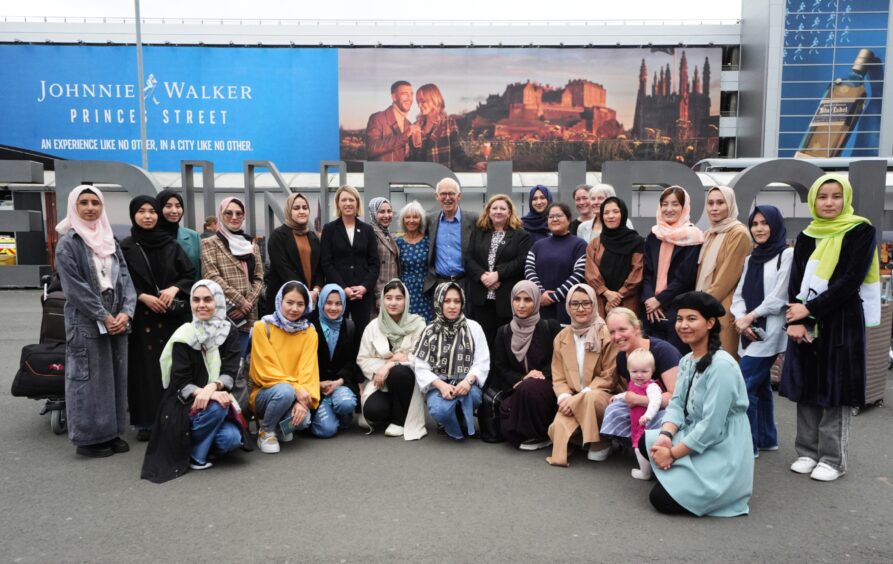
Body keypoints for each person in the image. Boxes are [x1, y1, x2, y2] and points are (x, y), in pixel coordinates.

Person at [780, 174, 880, 482]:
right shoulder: (808, 233)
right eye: (823, 196)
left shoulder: (860, 230)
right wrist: (798, 319)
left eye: (836, 196)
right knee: (807, 387)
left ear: (846, 198)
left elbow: (850, 280)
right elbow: (795, 281)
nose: (829, 202)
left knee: (835, 389)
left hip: (841, 320)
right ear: (813, 200)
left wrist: (809, 310)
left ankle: (833, 458)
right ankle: (807, 452)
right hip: (806, 319)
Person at [643, 291, 753, 517]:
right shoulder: (687, 360)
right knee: (648, 444)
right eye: (680, 319)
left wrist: (671, 454)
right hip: (698, 431)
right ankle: (676, 471)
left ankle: (689, 477)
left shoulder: (722, 366)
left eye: (692, 319)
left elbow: (712, 428)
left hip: (723, 443)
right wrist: (665, 435)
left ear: (710, 323)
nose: (683, 325)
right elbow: (676, 404)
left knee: (659, 500)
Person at [55, 185, 137, 458]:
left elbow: (124, 277)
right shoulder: (69, 243)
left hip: (117, 316)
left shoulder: (109, 240)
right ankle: (89, 439)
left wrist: (126, 311)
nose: (91, 208)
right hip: (87, 321)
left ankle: (112, 432)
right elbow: (75, 287)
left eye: (95, 203)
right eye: (84, 203)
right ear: (74, 207)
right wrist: (104, 315)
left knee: (115, 376)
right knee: (89, 379)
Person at [140, 280, 243, 482]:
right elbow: (180, 381)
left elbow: (230, 371)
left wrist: (213, 387)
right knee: (218, 406)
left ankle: (193, 443)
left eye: (208, 299)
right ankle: (197, 456)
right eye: (196, 300)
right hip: (183, 402)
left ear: (219, 302)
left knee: (231, 440)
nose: (201, 305)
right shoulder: (184, 334)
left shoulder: (229, 332)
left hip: (214, 397)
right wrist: (207, 393)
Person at [120, 195, 195, 441]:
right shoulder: (126, 246)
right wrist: (142, 296)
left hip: (172, 316)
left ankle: (174, 416)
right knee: (144, 369)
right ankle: (146, 421)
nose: (148, 216)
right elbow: (120, 280)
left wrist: (174, 289)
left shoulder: (170, 245)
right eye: (141, 211)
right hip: (142, 318)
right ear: (133, 215)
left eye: (152, 211)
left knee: (173, 367)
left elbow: (189, 273)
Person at [731, 205, 792, 458]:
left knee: (743, 386)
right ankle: (766, 439)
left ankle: (748, 444)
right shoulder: (750, 258)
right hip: (748, 329)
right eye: (755, 224)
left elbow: (779, 296)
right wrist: (740, 319)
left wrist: (750, 317)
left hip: (771, 331)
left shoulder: (786, 254)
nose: (759, 228)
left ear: (775, 225)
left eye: (765, 223)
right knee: (760, 385)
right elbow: (739, 294)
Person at [546, 284, 620, 466]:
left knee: (590, 399)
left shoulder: (605, 333)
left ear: (594, 304)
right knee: (557, 431)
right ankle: (582, 438)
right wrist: (564, 397)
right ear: (568, 307)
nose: (580, 309)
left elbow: (609, 375)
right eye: (575, 304)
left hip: (601, 395)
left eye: (586, 303)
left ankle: (603, 441)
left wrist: (579, 398)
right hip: (572, 396)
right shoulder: (562, 336)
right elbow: (558, 376)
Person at [249, 281, 320, 454]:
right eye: (289, 302)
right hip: (266, 394)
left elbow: (308, 369)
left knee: (303, 420)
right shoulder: (262, 327)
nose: (294, 308)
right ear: (279, 301)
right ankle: (266, 431)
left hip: (294, 393)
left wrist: (302, 403)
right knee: (285, 391)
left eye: (300, 304)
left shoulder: (309, 331)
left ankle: (280, 429)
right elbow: (263, 370)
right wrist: (295, 389)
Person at [490, 280, 562, 450]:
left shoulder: (549, 327)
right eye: (517, 299)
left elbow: (559, 361)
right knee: (508, 428)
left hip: (546, 385)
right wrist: (522, 378)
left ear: (536, 301)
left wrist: (537, 376)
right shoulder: (504, 331)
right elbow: (500, 366)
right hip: (517, 386)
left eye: (528, 300)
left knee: (530, 388)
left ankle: (541, 434)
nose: (521, 305)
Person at [414, 282, 490, 440]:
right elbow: (421, 367)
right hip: (439, 386)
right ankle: (448, 420)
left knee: (474, 397)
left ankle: (459, 415)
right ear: (438, 303)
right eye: (447, 301)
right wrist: (441, 386)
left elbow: (482, 361)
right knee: (438, 410)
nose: (452, 306)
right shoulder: (430, 331)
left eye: (457, 301)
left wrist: (468, 381)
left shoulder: (474, 328)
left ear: (462, 303)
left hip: (465, 384)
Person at [599, 307, 681, 450]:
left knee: (662, 419)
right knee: (614, 408)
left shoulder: (663, 351)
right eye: (612, 332)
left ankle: (654, 450)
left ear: (636, 328)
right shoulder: (621, 357)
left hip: (669, 409)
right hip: (642, 408)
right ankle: (635, 446)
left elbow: (676, 397)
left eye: (622, 329)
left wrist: (639, 400)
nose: (617, 336)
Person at [357, 280, 428, 439]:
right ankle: (391, 411)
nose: (393, 303)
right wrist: (386, 365)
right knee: (373, 412)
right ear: (382, 300)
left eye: (398, 298)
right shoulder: (374, 326)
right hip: (380, 383)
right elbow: (363, 358)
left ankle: (399, 421)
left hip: (406, 382)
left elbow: (420, 358)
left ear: (406, 300)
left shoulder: (418, 325)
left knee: (399, 371)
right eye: (388, 298)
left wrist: (391, 364)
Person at [642, 186, 704, 353]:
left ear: (684, 207)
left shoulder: (693, 237)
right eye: (664, 204)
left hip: (678, 308)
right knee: (650, 360)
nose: (669, 209)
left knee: (674, 357)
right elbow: (646, 272)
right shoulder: (653, 235)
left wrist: (660, 300)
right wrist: (649, 299)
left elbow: (685, 277)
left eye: (675, 204)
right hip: (650, 311)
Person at [200, 197, 264, 355]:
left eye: (239, 213)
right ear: (220, 215)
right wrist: (240, 301)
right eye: (228, 213)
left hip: (248, 315)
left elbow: (259, 278)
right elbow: (212, 276)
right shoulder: (210, 243)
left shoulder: (251, 245)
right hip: (224, 313)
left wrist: (247, 304)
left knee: (245, 364)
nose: (234, 217)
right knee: (223, 363)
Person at [466, 194, 532, 347]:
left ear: (509, 212)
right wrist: (483, 277)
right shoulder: (479, 232)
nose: (498, 211)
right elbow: (469, 258)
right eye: (494, 208)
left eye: (503, 208)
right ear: (488, 211)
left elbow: (522, 260)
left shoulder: (521, 235)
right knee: (483, 341)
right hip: (482, 297)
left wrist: (498, 275)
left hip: (506, 296)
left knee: (505, 340)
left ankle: (502, 371)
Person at [696, 186, 752, 359]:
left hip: (724, 309)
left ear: (730, 205)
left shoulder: (739, 233)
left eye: (720, 203)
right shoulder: (710, 233)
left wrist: (700, 304)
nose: (714, 208)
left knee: (724, 362)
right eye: (710, 203)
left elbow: (727, 278)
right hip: (706, 309)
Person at [320, 185, 379, 337]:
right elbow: (326, 263)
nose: (348, 203)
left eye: (351, 200)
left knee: (361, 333)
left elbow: (374, 264)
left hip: (362, 293)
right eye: (344, 200)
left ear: (357, 203)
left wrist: (365, 287)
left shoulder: (367, 230)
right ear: (338, 203)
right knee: (338, 332)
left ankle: (359, 361)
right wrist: (343, 288)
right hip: (337, 293)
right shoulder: (329, 229)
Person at [524, 202, 587, 324]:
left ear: (569, 220)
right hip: (541, 306)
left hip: (568, 306)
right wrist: (541, 293)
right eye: (551, 216)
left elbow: (579, 274)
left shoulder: (580, 245)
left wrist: (555, 296)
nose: (555, 219)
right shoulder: (538, 245)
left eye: (559, 216)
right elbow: (529, 269)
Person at [311, 284, 361, 438]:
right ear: (321, 303)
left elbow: (353, 361)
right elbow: (303, 362)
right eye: (329, 303)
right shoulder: (310, 325)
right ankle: (328, 409)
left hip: (340, 383)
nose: (333, 308)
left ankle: (338, 410)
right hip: (315, 386)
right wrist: (318, 383)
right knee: (327, 430)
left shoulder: (349, 326)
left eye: (338, 303)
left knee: (346, 403)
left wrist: (339, 381)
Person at [584, 196, 645, 318]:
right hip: (601, 300)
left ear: (623, 214)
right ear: (601, 216)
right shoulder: (595, 243)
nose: (610, 216)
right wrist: (606, 292)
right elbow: (590, 272)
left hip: (628, 302)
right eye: (606, 213)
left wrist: (617, 297)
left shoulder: (637, 241)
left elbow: (637, 272)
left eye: (615, 212)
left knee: (624, 333)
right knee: (602, 334)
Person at [265, 192, 323, 316]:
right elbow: (284, 269)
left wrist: (316, 290)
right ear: (289, 211)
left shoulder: (313, 237)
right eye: (296, 208)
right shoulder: (278, 236)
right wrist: (304, 292)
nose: (301, 211)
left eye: (305, 208)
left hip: (310, 301)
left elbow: (319, 268)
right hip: (285, 302)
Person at [610, 348, 662, 479]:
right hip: (636, 422)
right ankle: (649, 469)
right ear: (629, 371)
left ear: (652, 371)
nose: (639, 375)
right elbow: (629, 394)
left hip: (647, 422)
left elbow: (656, 402)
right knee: (638, 445)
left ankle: (645, 473)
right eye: (635, 371)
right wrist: (618, 396)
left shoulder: (651, 386)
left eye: (644, 371)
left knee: (640, 447)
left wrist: (648, 416)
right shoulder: (634, 383)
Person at [424, 178, 478, 300]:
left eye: (451, 193)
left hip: (466, 283)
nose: (447, 198)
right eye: (443, 194)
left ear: (459, 196)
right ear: (436, 196)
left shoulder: (474, 219)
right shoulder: (430, 220)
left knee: (466, 319)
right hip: (438, 284)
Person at [411, 83, 485, 171]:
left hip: (443, 177)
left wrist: (474, 163)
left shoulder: (448, 123)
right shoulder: (416, 127)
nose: (419, 105)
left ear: (434, 100)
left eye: (423, 101)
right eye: (418, 102)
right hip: (422, 177)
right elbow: (413, 158)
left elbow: (457, 151)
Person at [395, 201, 435, 322]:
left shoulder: (428, 242)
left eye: (415, 217)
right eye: (407, 217)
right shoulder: (397, 242)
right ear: (403, 220)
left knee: (425, 323)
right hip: (404, 290)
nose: (411, 220)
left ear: (421, 220)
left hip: (425, 290)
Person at [365, 80, 417, 162]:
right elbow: (371, 148)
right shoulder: (378, 118)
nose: (409, 98)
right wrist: (404, 136)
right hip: (381, 174)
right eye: (405, 94)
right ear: (394, 97)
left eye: (411, 94)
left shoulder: (408, 124)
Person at [156, 189, 202, 276]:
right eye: (168, 206)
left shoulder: (193, 236)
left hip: (191, 288)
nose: (174, 211)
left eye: (178, 206)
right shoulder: (149, 237)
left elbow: (202, 269)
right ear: (159, 207)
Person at [368, 197, 400, 315]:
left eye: (389, 211)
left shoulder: (388, 234)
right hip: (379, 294)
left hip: (392, 291)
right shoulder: (371, 234)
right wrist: (378, 295)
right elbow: (372, 267)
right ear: (373, 213)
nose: (386, 215)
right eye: (381, 212)